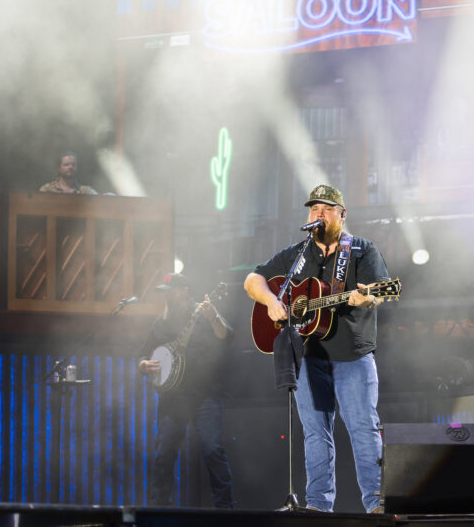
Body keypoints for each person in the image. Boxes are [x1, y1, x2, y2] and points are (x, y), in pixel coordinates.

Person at [244, 185, 390, 513]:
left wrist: (367, 296)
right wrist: (271, 302)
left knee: (363, 429)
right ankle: (318, 507)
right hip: (308, 357)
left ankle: (377, 505)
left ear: (342, 214)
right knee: (315, 433)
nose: (319, 214)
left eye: (326, 209)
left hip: (352, 354)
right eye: (314, 209)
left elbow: (380, 290)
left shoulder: (361, 250)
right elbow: (253, 279)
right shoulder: (298, 254)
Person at [138, 273, 235, 508]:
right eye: (164, 292)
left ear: (184, 291)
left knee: (212, 449)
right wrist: (144, 365)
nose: (167, 297)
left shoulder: (204, 311)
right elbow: (143, 355)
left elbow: (226, 336)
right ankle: (158, 508)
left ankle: (226, 510)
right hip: (173, 397)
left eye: (170, 291)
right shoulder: (161, 322)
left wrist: (213, 317)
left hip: (205, 394)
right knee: (164, 452)